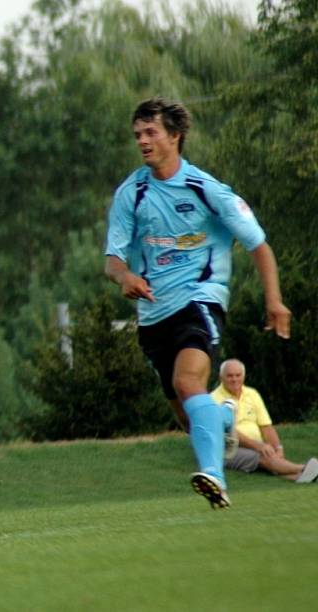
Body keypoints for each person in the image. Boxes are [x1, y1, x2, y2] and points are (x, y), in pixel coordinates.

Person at [104, 97, 291, 509]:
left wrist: (274, 301)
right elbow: (113, 259)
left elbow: (258, 245)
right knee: (190, 418)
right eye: (138, 135)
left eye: (151, 133)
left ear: (175, 136)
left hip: (199, 302)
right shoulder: (131, 193)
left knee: (188, 383)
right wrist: (125, 277)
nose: (143, 141)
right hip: (153, 314)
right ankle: (224, 418)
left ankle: (214, 478)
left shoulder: (206, 190)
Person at [211, 358, 318, 483]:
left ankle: (301, 476)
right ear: (221, 377)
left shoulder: (252, 394)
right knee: (263, 456)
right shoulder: (214, 399)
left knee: (269, 454)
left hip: (255, 445)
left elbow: (266, 427)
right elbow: (230, 433)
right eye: (229, 376)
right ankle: (303, 468)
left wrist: (278, 448)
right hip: (228, 449)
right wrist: (258, 446)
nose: (234, 379)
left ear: (243, 376)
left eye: (238, 375)